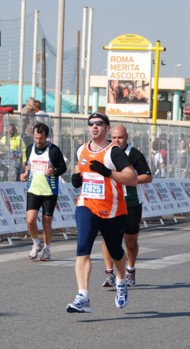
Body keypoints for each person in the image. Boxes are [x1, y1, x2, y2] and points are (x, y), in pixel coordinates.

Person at [66, 112, 138, 313]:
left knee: (115, 250)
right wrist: (76, 177)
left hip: (113, 210)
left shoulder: (113, 152)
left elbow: (131, 178)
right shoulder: (82, 149)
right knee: (82, 248)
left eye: (99, 124)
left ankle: (121, 281)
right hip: (87, 205)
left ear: (107, 128)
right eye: (91, 124)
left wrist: (107, 172)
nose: (94, 127)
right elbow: (79, 168)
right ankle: (83, 296)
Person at [101, 124, 152, 288]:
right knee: (107, 237)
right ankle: (109, 274)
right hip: (110, 201)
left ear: (127, 137)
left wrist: (130, 179)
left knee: (130, 240)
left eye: (120, 138)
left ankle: (130, 269)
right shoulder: (106, 151)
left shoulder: (134, 154)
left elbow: (148, 176)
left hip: (131, 203)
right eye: (114, 137)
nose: (116, 140)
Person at [20, 122, 67, 261]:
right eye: (35, 138)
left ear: (46, 137)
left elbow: (63, 168)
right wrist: (25, 174)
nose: (38, 141)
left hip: (49, 191)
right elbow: (28, 165)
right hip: (33, 189)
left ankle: (47, 249)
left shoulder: (53, 150)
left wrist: (54, 171)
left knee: (46, 222)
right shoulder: (29, 148)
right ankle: (36, 243)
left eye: (40, 138)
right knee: (30, 220)